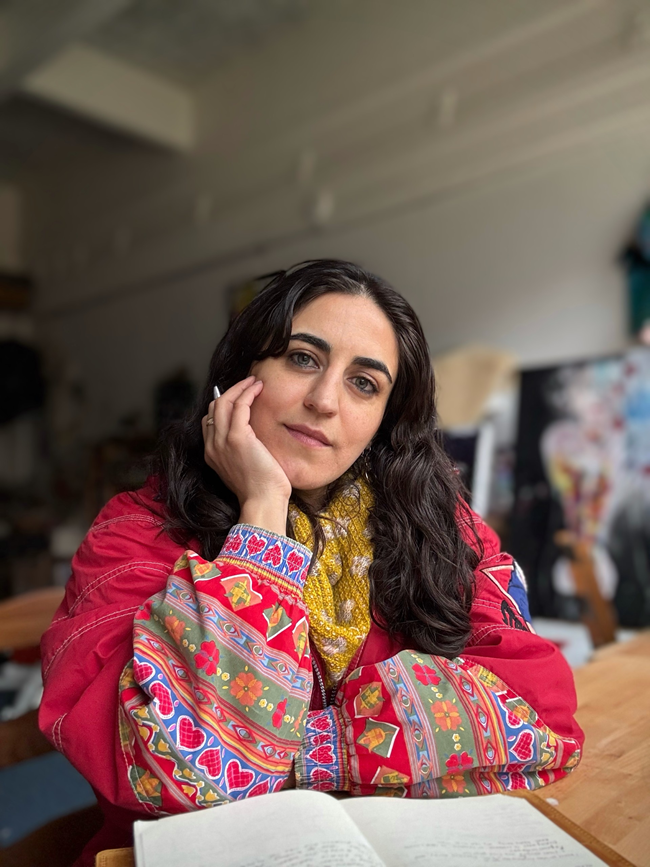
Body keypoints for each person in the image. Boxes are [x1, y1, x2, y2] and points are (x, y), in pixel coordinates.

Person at [39, 260, 583, 865]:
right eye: (302, 358)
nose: (325, 400)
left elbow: (541, 715)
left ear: (385, 421)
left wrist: (288, 751)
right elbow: (171, 770)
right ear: (242, 372)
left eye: (364, 383)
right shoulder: (135, 532)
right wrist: (262, 508)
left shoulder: (442, 529)